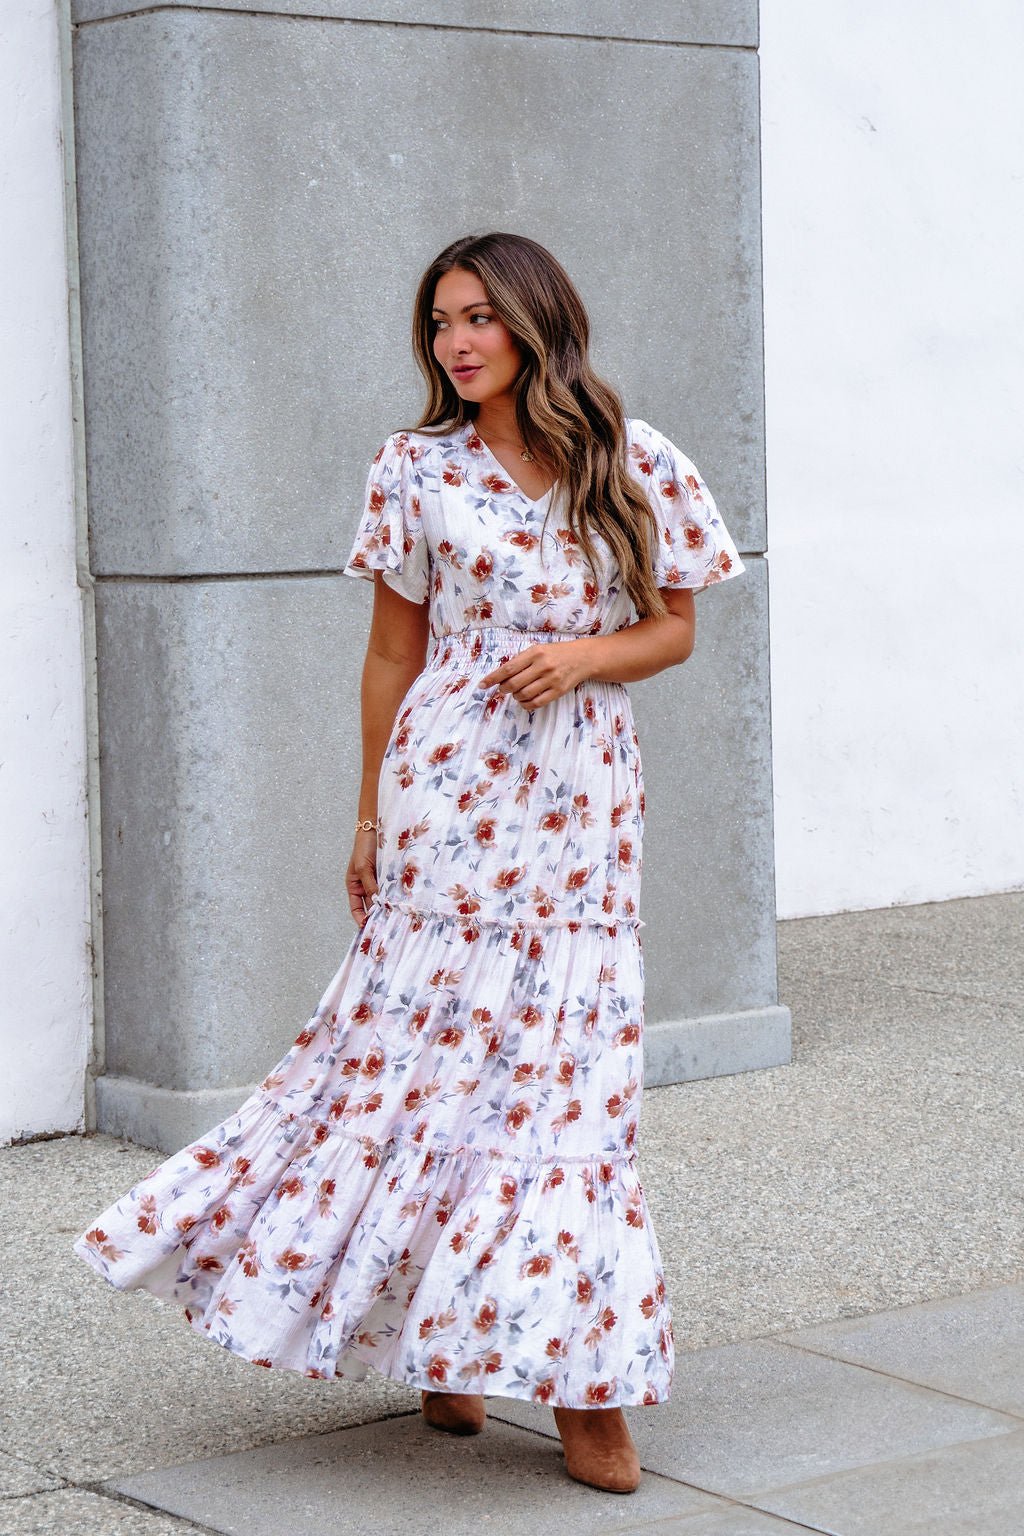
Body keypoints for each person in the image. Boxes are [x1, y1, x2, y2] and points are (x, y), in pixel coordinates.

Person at [73, 231, 745, 1496]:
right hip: (446, 791)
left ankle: (583, 1388)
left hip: (582, 804)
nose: (456, 341)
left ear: (537, 320)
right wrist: (369, 816)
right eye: (440, 320)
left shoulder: (634, 457)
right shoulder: (414, 466)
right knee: (424, 1062)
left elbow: (673, 629)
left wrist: (583, 658)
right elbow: (394, 651)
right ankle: (444, 1340)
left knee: (566, 1080)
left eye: (479, 316)